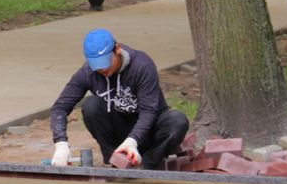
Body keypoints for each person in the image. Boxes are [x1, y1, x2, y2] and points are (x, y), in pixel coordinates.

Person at [49, 28, 189, 170]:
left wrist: (133, 141)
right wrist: (61, 143)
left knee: (177, 120)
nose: (102, 69)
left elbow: (149, 111)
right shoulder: (88, 72)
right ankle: (115, 161)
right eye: (96, 65)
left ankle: (149, 164)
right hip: (120, 133)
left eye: (105, 62)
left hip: (150, 130)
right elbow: (60, 107)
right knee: (91, 106)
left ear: (117, 49)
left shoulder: (142, 66)